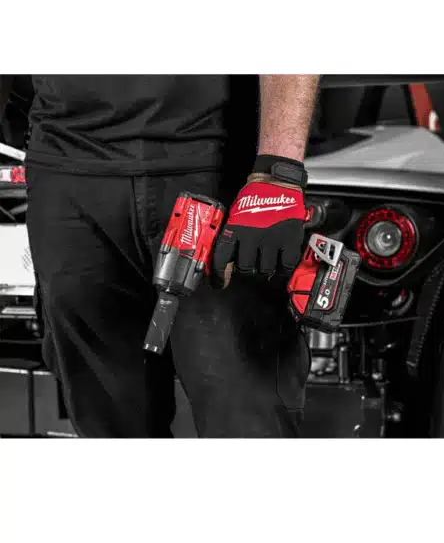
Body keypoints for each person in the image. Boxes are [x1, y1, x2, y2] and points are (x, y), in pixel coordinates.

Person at [18, 74, 320, 438]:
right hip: (67, 170)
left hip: (214, 166)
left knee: (245, 417)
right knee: (107, 424)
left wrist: (279, 173)